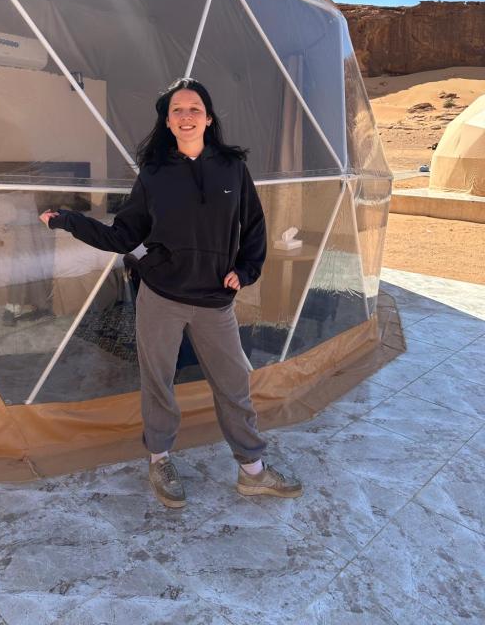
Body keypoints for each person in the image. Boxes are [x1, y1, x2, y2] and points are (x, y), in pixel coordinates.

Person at [39, 78, 302, 508]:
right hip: (161, 296)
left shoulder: (233, 168)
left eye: (193, 108)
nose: (185, 116)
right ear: (167, 121)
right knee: (159, 382)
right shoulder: (155, 173)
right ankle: (159, 459)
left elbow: (253, 225)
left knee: (234, 384)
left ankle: (252, 470)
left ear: (209, 118)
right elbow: (124, 233)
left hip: (215, 301)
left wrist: (246, 269)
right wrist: (68, 221)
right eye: (176, 110)